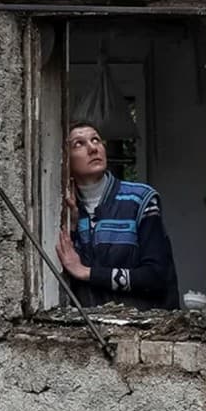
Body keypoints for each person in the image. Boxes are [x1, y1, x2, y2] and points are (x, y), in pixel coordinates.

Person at [55, 122, 181, 310]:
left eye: (96, 139)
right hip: (89, 331)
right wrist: (73, 226)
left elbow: (156, 276)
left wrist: (87, 273)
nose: (92, 148)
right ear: (65, 160)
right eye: (79, 144)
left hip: (145, 329)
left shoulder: (139, 199)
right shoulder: (63, 209)